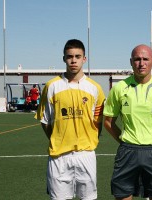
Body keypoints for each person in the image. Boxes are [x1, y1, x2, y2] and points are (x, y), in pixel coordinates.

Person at [103, 44, 152, 200]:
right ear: (131, 62)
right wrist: (124, 141)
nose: (141, 63)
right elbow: (108, 122)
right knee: (123, 195)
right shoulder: (119, 89)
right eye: (137, 59)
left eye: (145, 59)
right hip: (127, 151)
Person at [35, 39, 105, 200]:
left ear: (84, 59)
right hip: (59, 156)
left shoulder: (95, 88)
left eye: (78, 56)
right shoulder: (52, 86)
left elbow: (98, 122)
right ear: (64, 58)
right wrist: (58, 138)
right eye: (70, 56)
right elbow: (45, 121)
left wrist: (90, 138)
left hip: (86, 155)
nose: (73, 60)